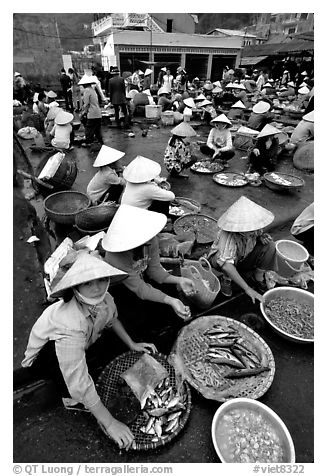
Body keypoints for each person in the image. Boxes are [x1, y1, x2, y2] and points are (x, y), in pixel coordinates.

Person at [21, 252, 157, 449]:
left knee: (103, 344)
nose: (97, 288)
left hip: (83, 340)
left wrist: (132, 344)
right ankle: (70, 400)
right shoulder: (69, 323)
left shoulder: (106, 298)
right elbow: (79, 381)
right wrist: (110, 423)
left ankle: (86, 381)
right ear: (76, 287)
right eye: (88, 283)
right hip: (45, 357)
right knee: (74, 382)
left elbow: (112, 319)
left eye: (102, 279)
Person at [103, 205, 195, 331]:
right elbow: (140, 289)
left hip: (140, 276)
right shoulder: (116, 256)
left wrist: (179, 280)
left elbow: (155, 270)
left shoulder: (150, 240)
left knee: (170, 292)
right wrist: (170, 301)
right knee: (139, 317)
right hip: (121, 286)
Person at [208, 196, 276, 303]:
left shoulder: (254, 228)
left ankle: (258, 277)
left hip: (243, 256)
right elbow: (226, 265)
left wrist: (261, 237)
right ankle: (226, 280)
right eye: (251, 229)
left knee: (270, 245)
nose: (254, 231)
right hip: (222, 262)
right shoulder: (228, 235)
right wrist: (247, 289)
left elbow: (258, 234)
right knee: (226, 261)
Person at [79, 74, 103, 146]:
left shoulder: (87, 91)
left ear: (85, 84)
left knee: (89, 128)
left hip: (92, 113)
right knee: (97, 129)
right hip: (98, 113)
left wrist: (83, 112)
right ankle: (100, 141)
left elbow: (86, 104)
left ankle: (89, 142)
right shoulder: (93, 90)